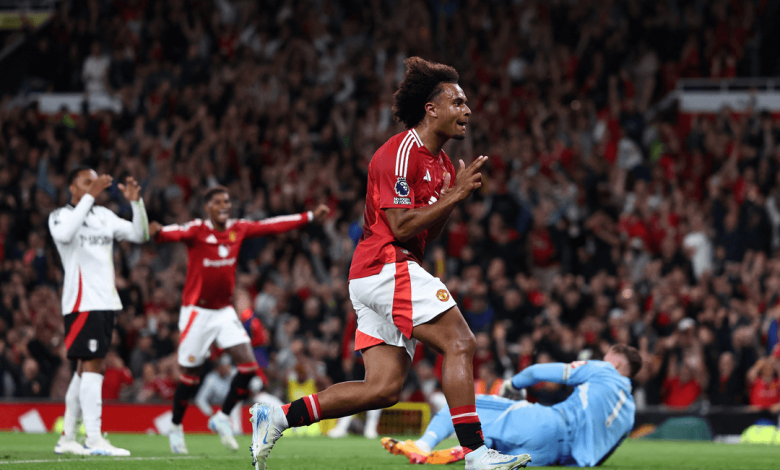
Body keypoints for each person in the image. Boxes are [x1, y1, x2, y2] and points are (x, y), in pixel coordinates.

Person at [250, 56, 530, 470]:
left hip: (380, 272)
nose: (467, 110)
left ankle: (277, 417)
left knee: (383, 388)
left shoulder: (440, 164)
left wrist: (450, 198)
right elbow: (399, 226)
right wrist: (454, 197)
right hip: (385, 264)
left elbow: (427, 232)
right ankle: (475, 454)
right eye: (458, 102)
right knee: (460, 342)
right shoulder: (401, 152)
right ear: (431, 109)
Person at [148, 186, 329, 454]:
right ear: (208, 207)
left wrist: (309, 216)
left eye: (227, 201)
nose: (225, 205)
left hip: (223, 312)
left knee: (248, 367)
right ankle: (175, 427)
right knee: (190, 376)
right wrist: (158, 231)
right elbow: (168, 233)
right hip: (197, 312)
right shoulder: (197, 230)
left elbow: (271, 225)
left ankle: (222, 417)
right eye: (218, 202)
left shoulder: (238, 228)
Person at [382, 344, 641, 467]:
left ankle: (423, 445)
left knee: (464, 404)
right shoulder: (629, 416)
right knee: (499, 447)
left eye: (607, 358)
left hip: (549, 424)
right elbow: (600, 458)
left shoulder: (605, 370)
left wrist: (513, 384)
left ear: (616, 363)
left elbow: (537, 371)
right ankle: (469, 451)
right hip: (555, 457)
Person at [49, 166, 149, 456]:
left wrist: (136, 204)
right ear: (72, 188)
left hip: (106, 301)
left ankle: (68, 437)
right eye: (86, 182)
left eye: (95, 183)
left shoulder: (104, 216)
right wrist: (90, 197)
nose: (93, 186)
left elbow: (140, 234)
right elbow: (65, 235)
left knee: (85, 369)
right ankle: (93, 438)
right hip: (83, 302)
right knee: (94, 365)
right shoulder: (60, 216)